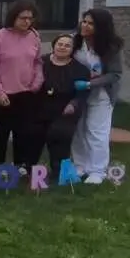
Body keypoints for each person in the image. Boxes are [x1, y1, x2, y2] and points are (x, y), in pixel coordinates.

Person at [0, 0, 44, 172]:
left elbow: (38, 62)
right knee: (3, 131)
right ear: (13, 17)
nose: (27, 22)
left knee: (23, 131)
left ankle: (20, 164)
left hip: (27, 92)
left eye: (30, 18)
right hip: (4, 93)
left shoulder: (34, 37)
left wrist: (37, 82)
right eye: (23, 18)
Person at [71, 8, 124, 184]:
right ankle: (79, 165)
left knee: (96, 132)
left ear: (101, 27)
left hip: (101, 94)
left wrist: (90, 84)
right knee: (78, 130)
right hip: (78, 94)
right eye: (84, 21)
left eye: (91, 23)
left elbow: (115, 74)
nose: (85, 26)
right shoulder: (75, 41)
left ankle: (97, 170)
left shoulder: (111, 47)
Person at [37, 34, 91, 174]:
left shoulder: (80, 69)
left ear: (72, 50)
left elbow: (83, 93)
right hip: (40, 107)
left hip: (65, 109)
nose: (62, 47)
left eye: (67, 45)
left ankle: (59, 170)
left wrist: (73, 104)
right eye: (60, 44)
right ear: (54, 45)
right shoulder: (41, 63)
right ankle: (29, 167)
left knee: (59, 134)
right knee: (33, 133)